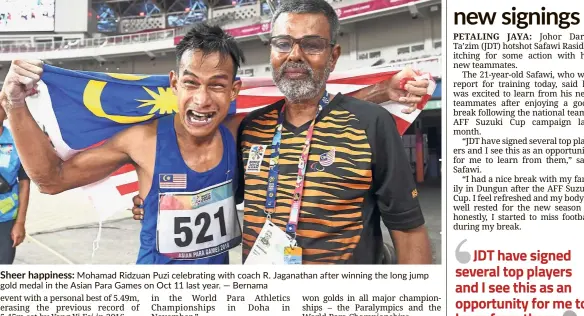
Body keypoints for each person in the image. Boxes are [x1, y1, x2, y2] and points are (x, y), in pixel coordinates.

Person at [4, 22, 428, 265]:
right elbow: (51, 179)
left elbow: (308, 109)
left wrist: (382, 91)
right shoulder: (143, 139)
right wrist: (15, 104)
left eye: (217, 86)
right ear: (174, 85)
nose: (202, 100)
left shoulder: (237, 131)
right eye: (190, 84)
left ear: (234, 91)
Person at [233, 0, 432, 264]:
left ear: (333, 56)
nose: (294, 55)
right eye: (283, 43)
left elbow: (408, 231)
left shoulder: (371, 123)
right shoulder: (251, 128)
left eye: (312, 45)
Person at [0, 99, 31, 264]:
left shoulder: (18, 142)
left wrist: (20, 222)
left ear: (5, 112)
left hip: (5, 220)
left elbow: (24, 183)